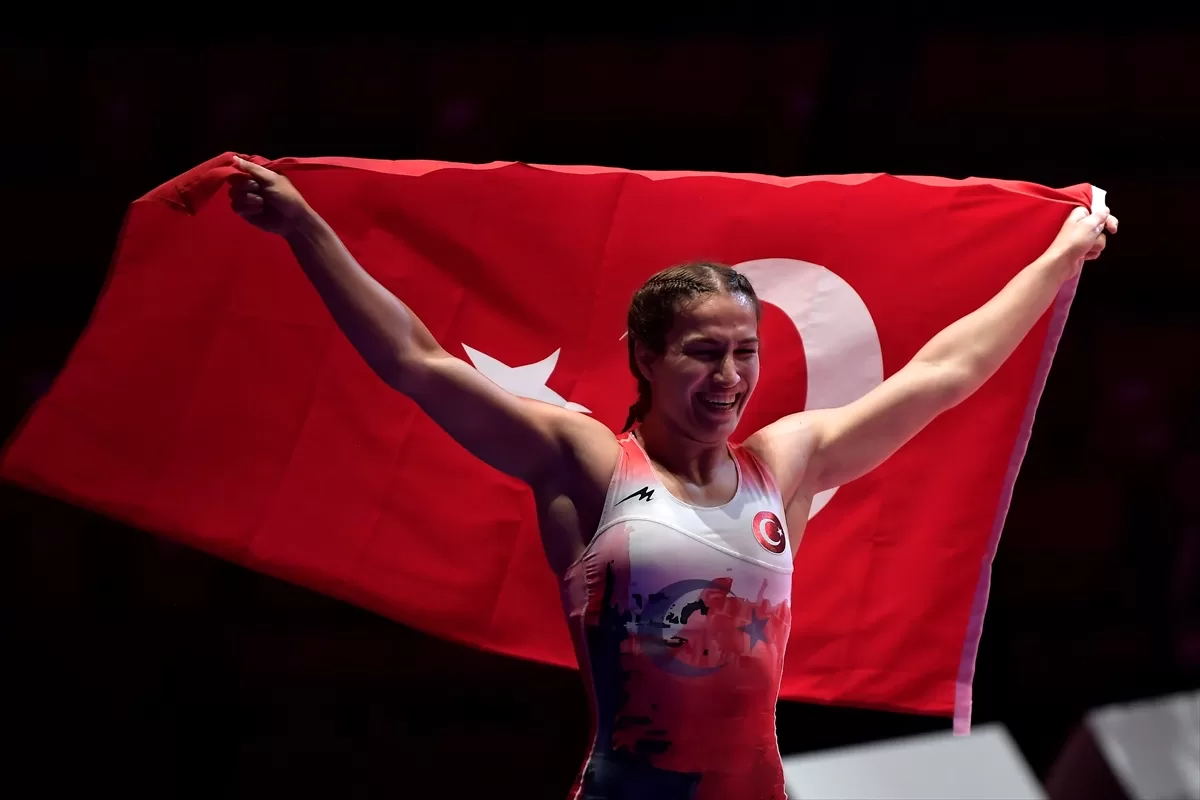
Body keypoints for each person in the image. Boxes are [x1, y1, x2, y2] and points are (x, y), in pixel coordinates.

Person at [227, 156, 1116, 800]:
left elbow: (945, 373)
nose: (729, 376)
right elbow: (417, 363)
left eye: (745, 352)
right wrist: (305, 228)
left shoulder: (785, 464)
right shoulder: (586, 462)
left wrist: (1060, 255)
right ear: (647, 358)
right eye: (703, 352)